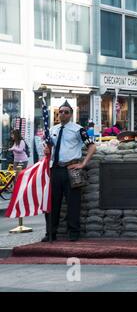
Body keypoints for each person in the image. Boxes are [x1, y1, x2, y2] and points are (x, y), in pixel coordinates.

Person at [41, 100, 96, 242]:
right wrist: (47, 150)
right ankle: (50, 233)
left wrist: (83, 164)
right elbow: (50, 148)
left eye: (66, 112)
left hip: (72, 169)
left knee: (73, 202)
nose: (63, 114)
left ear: (71, 114)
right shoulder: (53, 130)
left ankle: (73, 233)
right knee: (52, 202)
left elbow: (92, 147)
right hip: (56, 169)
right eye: (60, 112)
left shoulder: (78, 129)